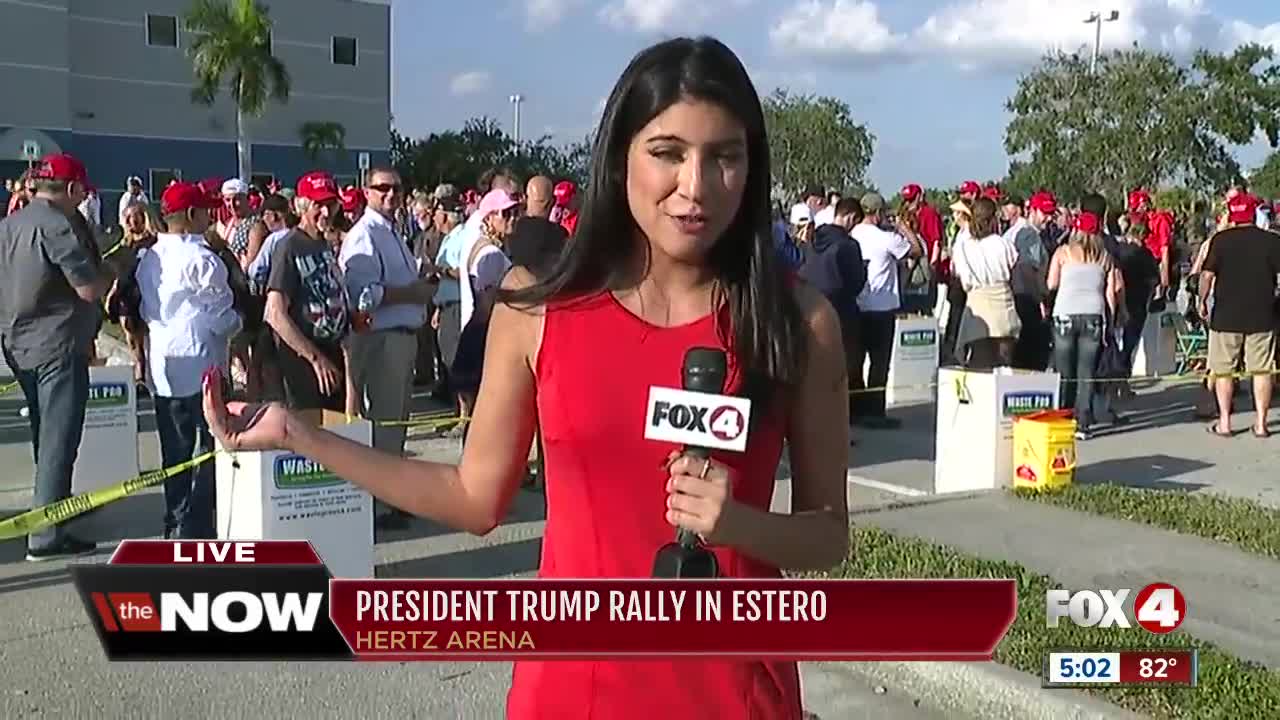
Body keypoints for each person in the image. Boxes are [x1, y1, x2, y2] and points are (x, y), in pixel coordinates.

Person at [204, 35, 848, 719]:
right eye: (667, 153)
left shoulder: (798, 322)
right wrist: (298, 432)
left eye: (724, 157)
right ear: (620, 157)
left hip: (735, 694)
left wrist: (739, 524)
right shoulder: (538, 309)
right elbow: (475, 498)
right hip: (575, 692)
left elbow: (828, 535)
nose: (695, 186)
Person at [0, 153, 113, 560]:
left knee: (45, 438)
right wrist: (113, 270)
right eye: (81, 190)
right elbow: (87, 288)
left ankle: (51, 514)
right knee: (58, 442)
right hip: (57, 344)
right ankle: (46, 536)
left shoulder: (10, 224)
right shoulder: (57, 226)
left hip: (17, 344)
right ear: (70, 189)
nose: (83, 197)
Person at [136, 182, 241, 538]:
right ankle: (196, 525)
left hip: (164, 365)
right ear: (193, 215)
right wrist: (240, 324)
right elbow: (220, 314)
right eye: (206, 211)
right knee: (211, 448)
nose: (210, 217)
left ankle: (175, 519)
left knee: (174, 451)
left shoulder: (148, 257)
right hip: (202, 364)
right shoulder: (203, 259)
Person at [264, 172, 351, 411]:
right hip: (304, 363)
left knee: (334, 435)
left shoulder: (323, 243)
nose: (325, 212)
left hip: (331, 353)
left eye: (330, 205)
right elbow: (274, 313)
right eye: (318, 205)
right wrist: (314, 358)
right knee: (311, 437)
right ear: (302, 206)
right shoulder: (289, 246)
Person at [1200, 193, 1280, 438]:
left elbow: (1207, 276)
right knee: (1262, 369)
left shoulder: (1221, 240)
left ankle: (1225, 422)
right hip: (1263, 313)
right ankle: (1261, 423)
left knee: (1223, 370)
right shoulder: (1272, 241)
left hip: (1226, 315)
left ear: (1232, 214)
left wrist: (1202, 300)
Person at [1047, 211, 1124, 440]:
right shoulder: (1104, 257)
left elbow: (1051, 284)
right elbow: (1111, 292)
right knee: (1086, 371)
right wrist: (1110, 318)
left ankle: (1063, 416)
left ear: (1076, 230)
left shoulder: (1063, 253)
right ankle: (1083, 422)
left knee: (1064, 370)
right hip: (1093, 314)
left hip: (1065, 314)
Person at [850, 192, 923, 427]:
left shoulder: (853, 235)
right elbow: (916, 250)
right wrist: (903, 227)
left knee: (857, 360)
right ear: (879, 213)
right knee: (879, 363)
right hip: (881, 307)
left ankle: (856, 408)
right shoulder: (886, 238)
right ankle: (874, 410)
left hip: (858, 306)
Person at [798, 197, 865, 443]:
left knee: (809, 372)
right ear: (850, 217)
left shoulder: (812, 239)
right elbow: (856, 282)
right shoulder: (848, 246)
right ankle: (837, 429)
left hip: (809, 309)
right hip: (841, 313)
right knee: (840, 374)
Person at [951, 197, 1021, 368]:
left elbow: (959, 276)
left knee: (980, 366)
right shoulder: (1003, 244)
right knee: (1004, 366)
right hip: (1002, 305)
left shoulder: (962, 246)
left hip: (978, 305)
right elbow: (1013, 270)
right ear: (992, 219)